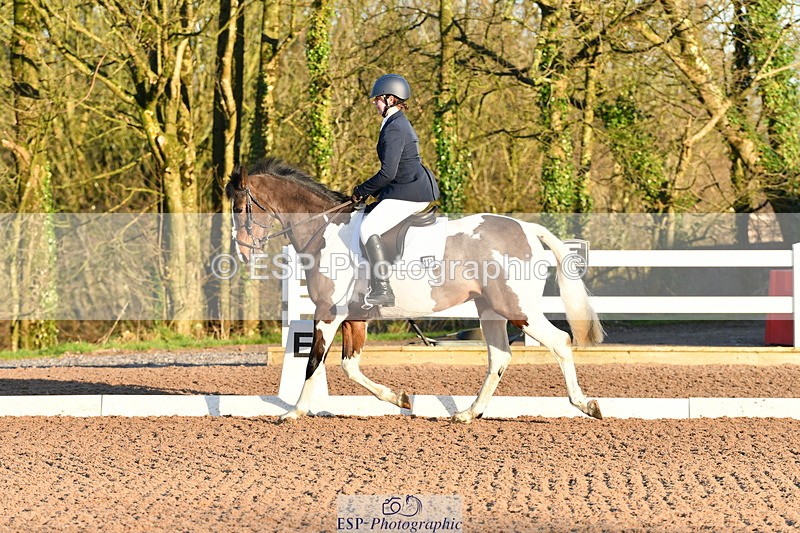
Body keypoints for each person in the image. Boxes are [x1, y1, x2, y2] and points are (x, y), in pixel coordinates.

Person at [352, 74, 440, 308]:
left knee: (368, 227)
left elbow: (388, 173)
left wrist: (362, 190)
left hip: (410, 191)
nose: (374, 103)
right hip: (406, 187)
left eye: (377, 99)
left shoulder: (395, 128)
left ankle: (383, 289)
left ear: (390, 99)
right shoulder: (394, 123)